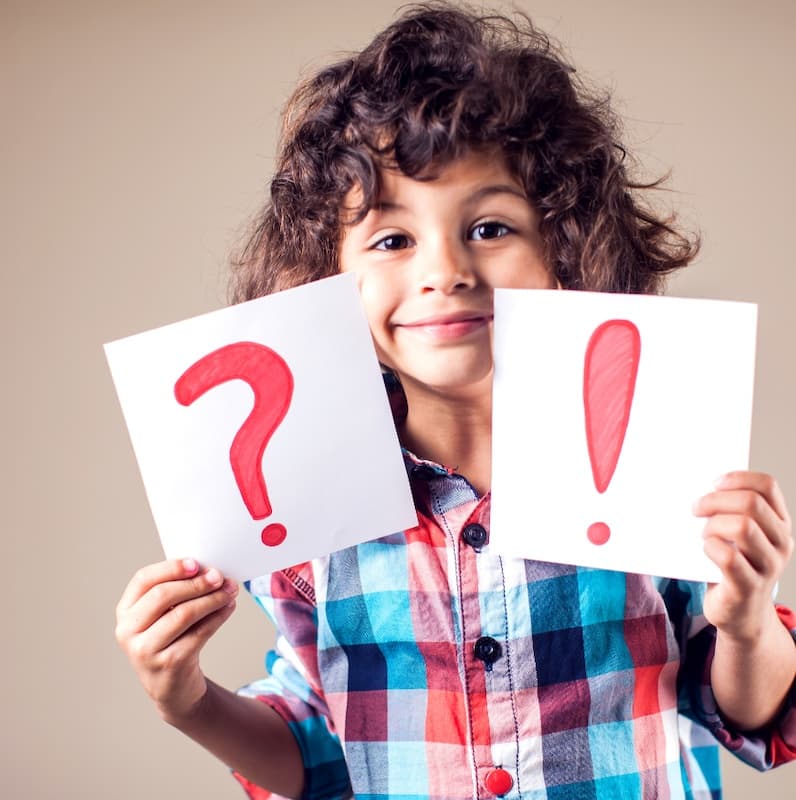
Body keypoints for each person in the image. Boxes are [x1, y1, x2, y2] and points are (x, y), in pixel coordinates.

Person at [115, 4, 796, 798]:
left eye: (492, 226)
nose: (444, 271)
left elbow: (748, 710)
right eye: (392, 239)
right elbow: (316, 750)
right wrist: (186, 700)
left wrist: (747, 621)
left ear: (565, 245)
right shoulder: (310, 505)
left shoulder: (654, 463)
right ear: (325, 280)